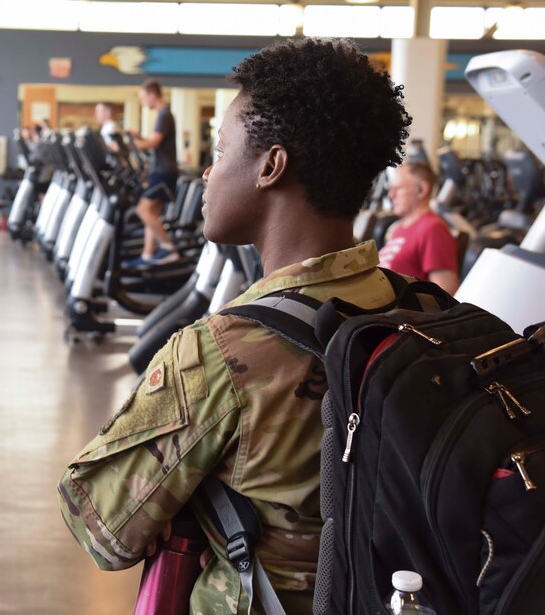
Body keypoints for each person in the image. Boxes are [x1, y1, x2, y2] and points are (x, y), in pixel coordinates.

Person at [58, 38, 413, 615]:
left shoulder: (221, 353)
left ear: (271, 166)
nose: (207, 170)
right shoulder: (424, 310)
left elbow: (100, 528)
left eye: (221, 150)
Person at [122, 79, 180, 268]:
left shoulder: (164, 115)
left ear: (152, 95)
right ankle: (147, 254)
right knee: (152, 213)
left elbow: (153, 143)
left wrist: (128, 145)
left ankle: (169, 248)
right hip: (161, 170)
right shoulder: (162, 115)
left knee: (143, 210)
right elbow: (155, 142)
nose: (142, 102)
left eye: (142, 97)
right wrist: (138, 138)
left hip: (163, 172)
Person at [379, 161, 460, 295]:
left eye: (397, 189)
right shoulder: (399, 229)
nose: (391, 195)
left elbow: (446, 294)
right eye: (390, 189)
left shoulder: (433, 228)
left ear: (421, 189)